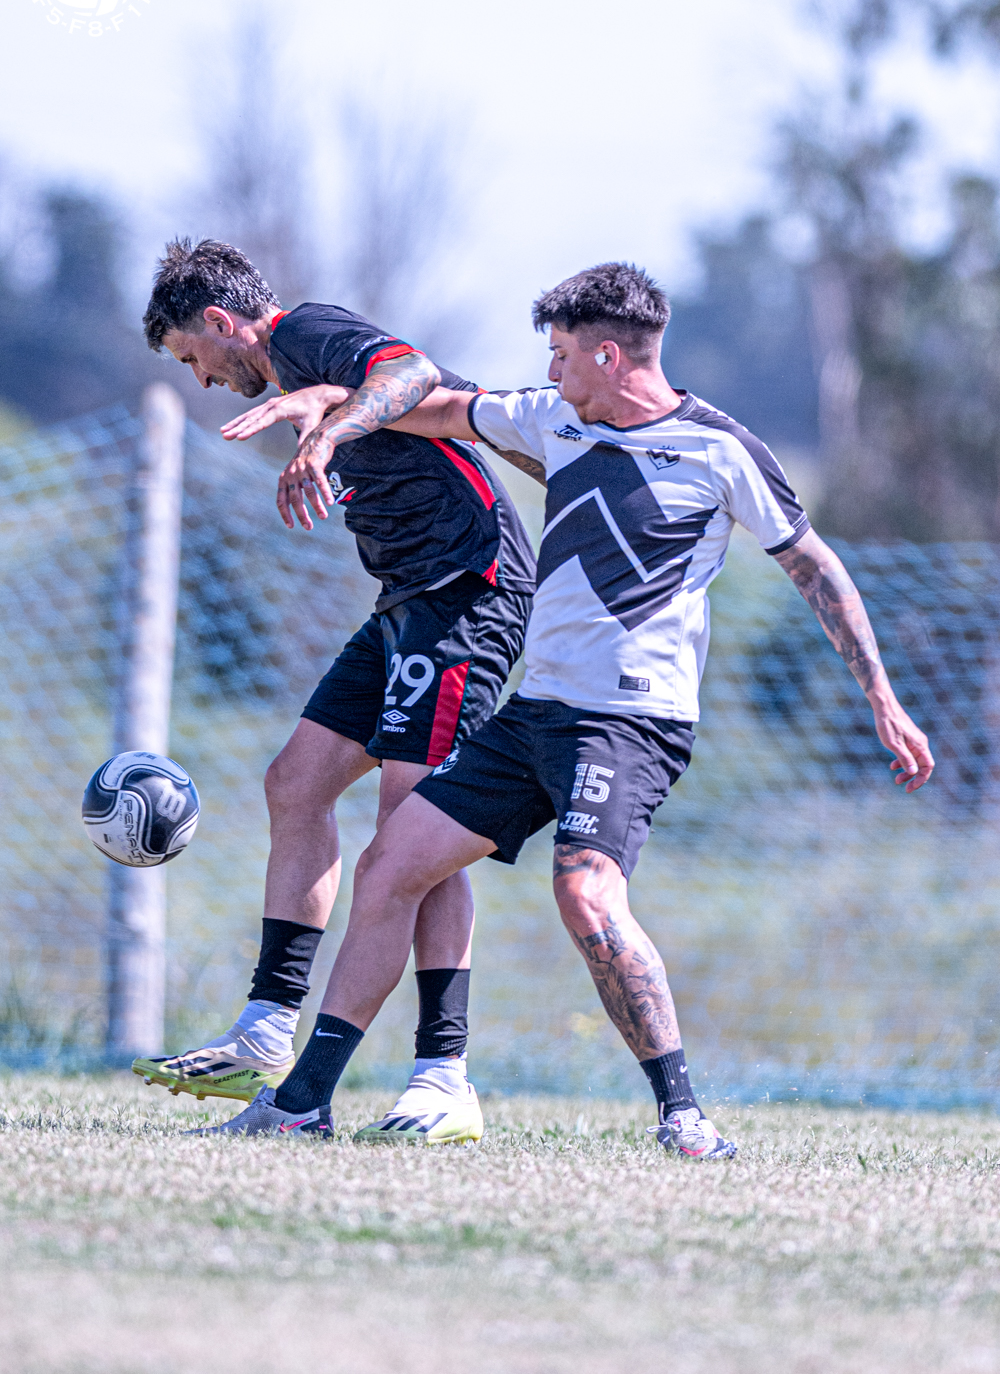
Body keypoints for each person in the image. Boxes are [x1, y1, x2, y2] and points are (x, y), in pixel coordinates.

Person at [195, 260, 934, 1157]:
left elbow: (815, 566)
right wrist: (329, 403)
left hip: (629, 725)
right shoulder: (555, 419)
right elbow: (431, 400)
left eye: (561, 355)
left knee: (584, 893)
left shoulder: (721, 450)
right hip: (534, 714)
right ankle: (304, 1101)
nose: (549, 371)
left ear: (609, 356)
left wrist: (882, 698)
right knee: (390, 866)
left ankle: (683, 1115)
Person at [133, 238, 537, 1144]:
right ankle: (265, 1029)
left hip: (468, 590)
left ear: (222, 322)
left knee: (415, 832)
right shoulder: (301, 371)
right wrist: (319, 409)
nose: (202, 380)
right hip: (406, 602)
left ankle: (443, 1077)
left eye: (194, 357)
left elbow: (413, 371)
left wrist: (325, 430)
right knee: (296, 783)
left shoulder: (305, 330)